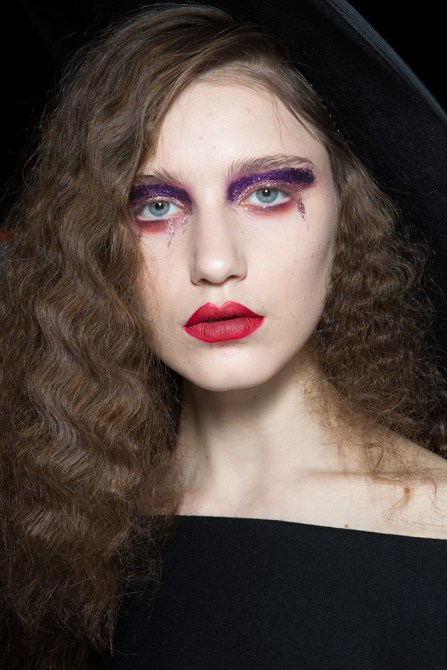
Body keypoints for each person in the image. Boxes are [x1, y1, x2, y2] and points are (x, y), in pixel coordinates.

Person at [1, 1, 447, 668]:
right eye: (156, 206)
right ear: (95, 248)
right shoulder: (62, 537)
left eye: (265, 193)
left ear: (348, 214)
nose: (214, 261)